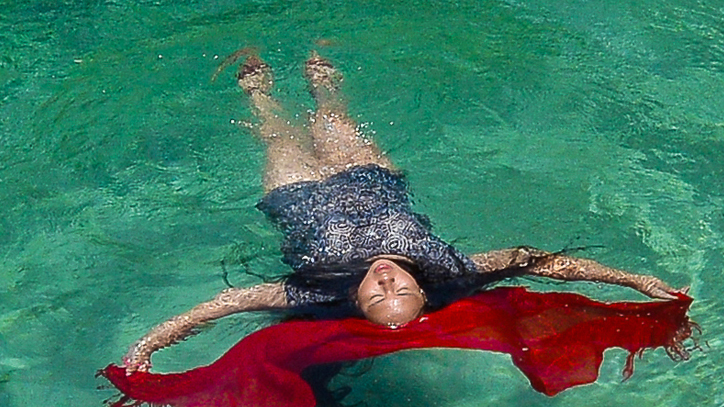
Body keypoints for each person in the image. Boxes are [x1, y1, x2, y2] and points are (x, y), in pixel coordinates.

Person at [118, 46, 677, 377]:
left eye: (376, 294)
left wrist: (148, 345)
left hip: (297, 199)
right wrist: (634, 279)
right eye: (399, 291)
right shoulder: (449, 270)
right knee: (332, 114)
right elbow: (537, 260)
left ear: (356, 301)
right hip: (371, 180)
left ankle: (259, 89)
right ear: (422, 289)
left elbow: (221, 305)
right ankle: (325, 84)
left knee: (273, 130)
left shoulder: (318, 291)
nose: (386, 281)